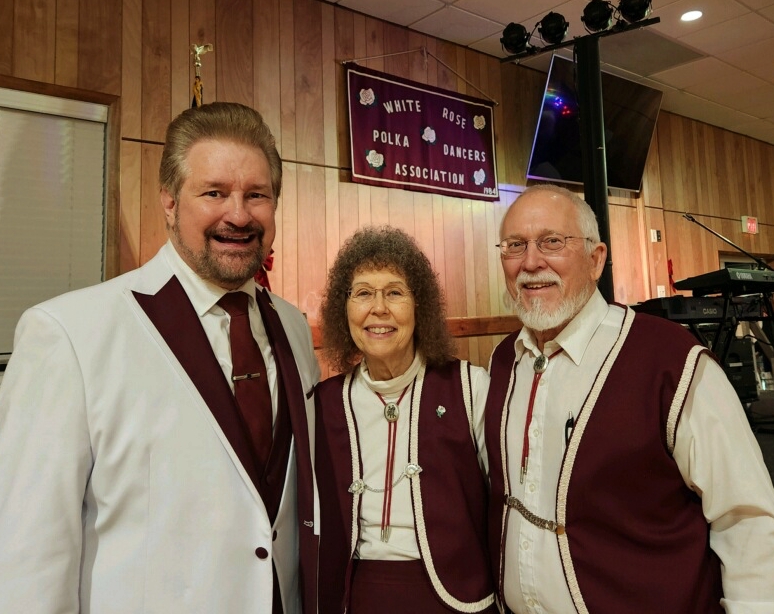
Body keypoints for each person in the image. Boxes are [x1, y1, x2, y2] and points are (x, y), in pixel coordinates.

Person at [0, 102, 320, 613]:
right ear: (169, 203)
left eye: (256, 195)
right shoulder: (69, 335)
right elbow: (30, 555)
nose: (238, 214)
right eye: (213, 192)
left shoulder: (295, 329)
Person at [486, 183, 774, 613]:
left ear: (596, 258)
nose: (530, 262)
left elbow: (746, 518)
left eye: (552, 242)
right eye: (515, 245)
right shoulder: (503, 361)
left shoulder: (673, 364)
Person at [315, 226, 496, 613]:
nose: (378, 308)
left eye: (394, 292)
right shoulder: (325, 404)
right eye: (363, 293)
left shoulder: (470, 388)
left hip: (456, 598)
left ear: (421, 307)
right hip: (354, 597)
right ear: (342, 309)